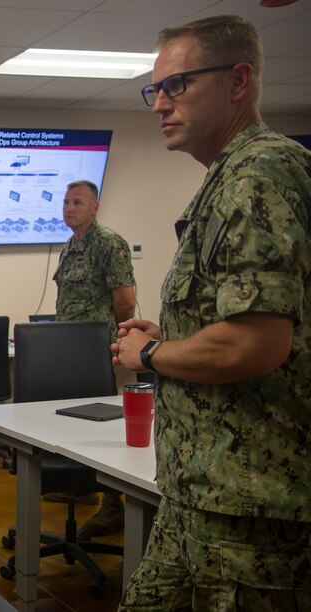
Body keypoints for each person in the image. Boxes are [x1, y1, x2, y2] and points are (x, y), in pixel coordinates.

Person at [114, 15, 311, 610]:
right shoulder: (228, 178)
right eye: (155, 90)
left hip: (251, 511)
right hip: (202, 495)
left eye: (177, 85)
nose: (159, 105)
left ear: (238, 80)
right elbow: (241, 323)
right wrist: (173, 335)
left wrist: (150, 353)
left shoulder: (259, 174)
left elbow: (256, 345)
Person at [49, 179, 136, 537]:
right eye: (67, 202)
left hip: (99, 349)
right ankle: (82, 486)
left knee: (103, 425)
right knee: (73, 421)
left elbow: (125, 300)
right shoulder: (70, 246)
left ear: (94, 208)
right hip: (69, 349)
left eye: (78, 202)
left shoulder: (109, 244)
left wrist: (115, 340)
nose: (70, 208)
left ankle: (113, 505)